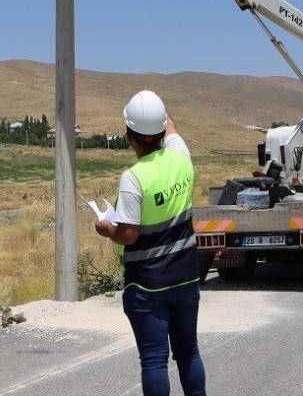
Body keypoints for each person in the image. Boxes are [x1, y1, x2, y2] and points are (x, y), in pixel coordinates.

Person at [94, 91, 206, 396]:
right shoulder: (180, 156)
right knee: (188, 352)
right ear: (160, 131)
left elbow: (128, 234)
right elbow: (171, 128)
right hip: (185, 277)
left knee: (155, 361)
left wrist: (106, 229)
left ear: (129, 137)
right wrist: (157, 108)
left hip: (148, 285)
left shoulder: (134, 178)